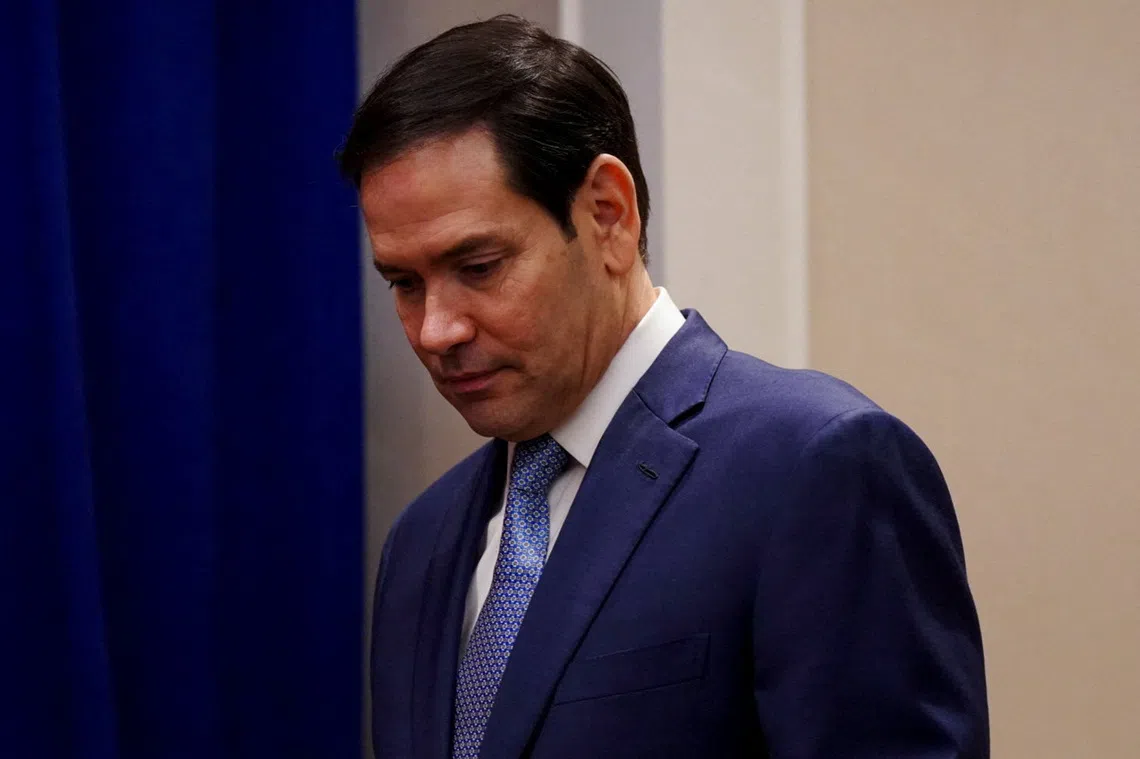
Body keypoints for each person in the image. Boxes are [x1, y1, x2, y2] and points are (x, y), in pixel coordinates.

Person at [339, 15, 988, 759]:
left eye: (478, 266)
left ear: (607, 215)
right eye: (403, 282)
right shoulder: (421, 540)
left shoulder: (815, 468)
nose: (435, 330)